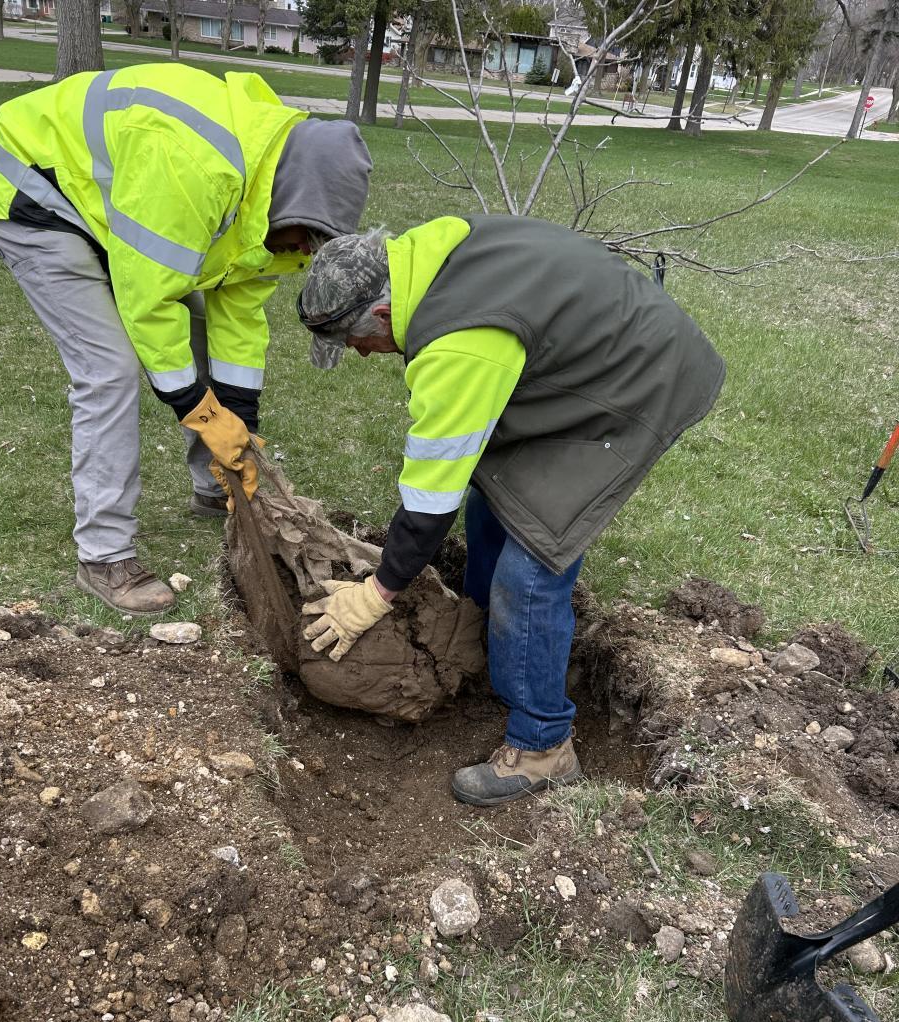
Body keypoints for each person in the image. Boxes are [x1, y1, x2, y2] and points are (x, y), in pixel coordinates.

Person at [295, 216, 726, 806]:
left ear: (383, 313)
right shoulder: (426, 255)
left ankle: (543, 746)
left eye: (354, 343)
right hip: (581, 355)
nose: (363, 355)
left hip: (633, 379)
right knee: (493, 503)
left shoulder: (459, 344)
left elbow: (429, 502)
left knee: (531, 567)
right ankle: (483, 643)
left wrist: (377, 593)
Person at [0, 64, 372, 615]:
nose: (302, 252)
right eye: (304, 238)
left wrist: (239, 423)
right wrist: (201, 413)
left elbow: (238, 311)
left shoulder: (276, 205)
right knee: (108, 369)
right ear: (289, 197)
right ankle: (104, 555)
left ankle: (216, 485)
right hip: (35, 191)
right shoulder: (193, 168)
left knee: (199, 327)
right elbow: (149, 302)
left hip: (117, 200)